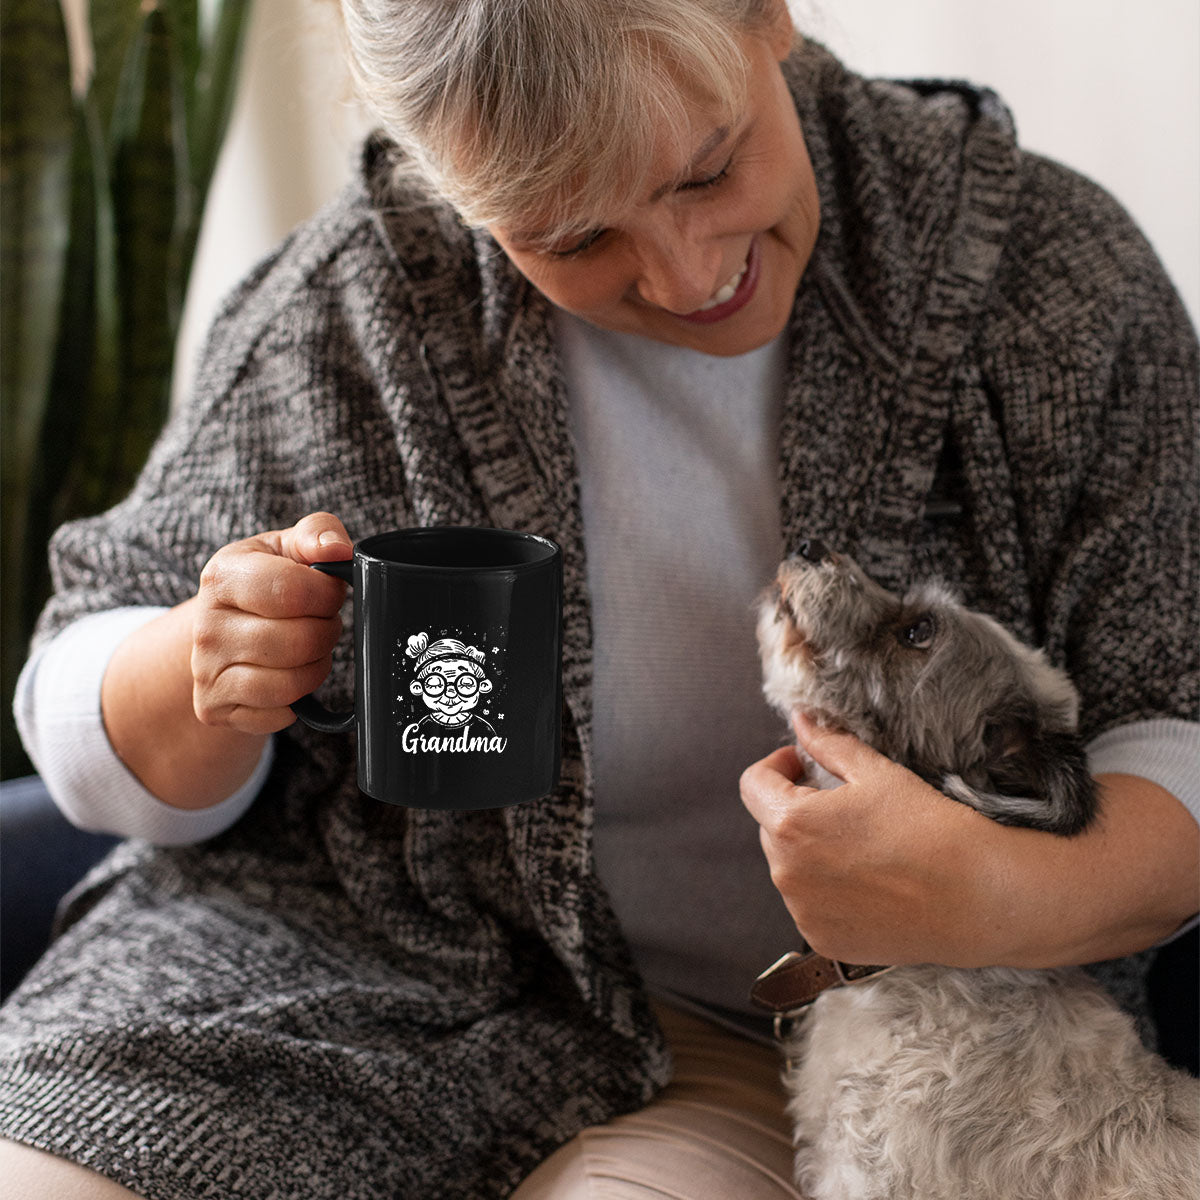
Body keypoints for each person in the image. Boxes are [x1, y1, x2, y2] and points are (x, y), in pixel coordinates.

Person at [2, 1, 1197, 1196]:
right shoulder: (344, 320)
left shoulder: (1045, 283)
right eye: (571, 236)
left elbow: (1178, 712)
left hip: (796, 1052)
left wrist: (998, 899)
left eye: (710, 168)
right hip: (315, 980)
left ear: (767, 15)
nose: (686, 276)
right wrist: (203, 667)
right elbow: (80, 714)